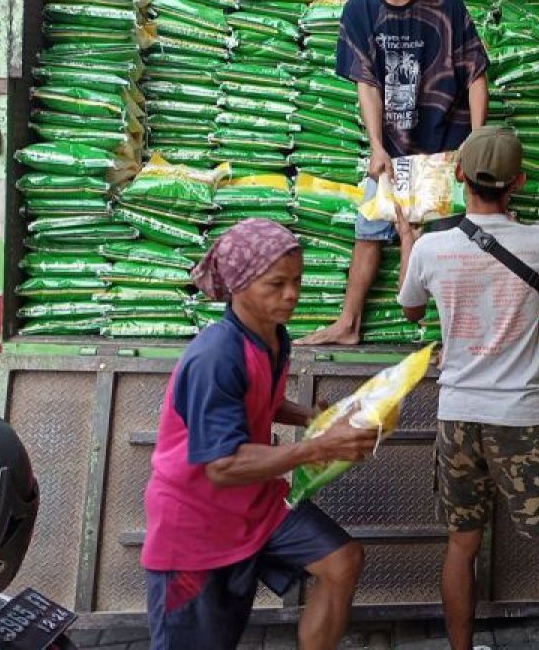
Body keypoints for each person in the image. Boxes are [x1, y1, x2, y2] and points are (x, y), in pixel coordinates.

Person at [394, 127, 539, 650]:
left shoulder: (432, 248)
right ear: (518, 182)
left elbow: (411, 309)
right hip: (520, 418)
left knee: (461, 545)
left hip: (457, 415)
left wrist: (408, 242)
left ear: (458, 174)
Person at [142, 219, 380, 650]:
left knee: (341, 561)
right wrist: (320, 446)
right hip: (195, 525)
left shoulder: (274, 338)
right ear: (238, 284)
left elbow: (260, 400)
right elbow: (223, 464)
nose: (291, 294)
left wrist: (312, 418)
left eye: (297, 281)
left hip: (254, 505)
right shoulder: (216, 356)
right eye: (276, 284)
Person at [300, 0, 489, 346]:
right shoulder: (360, 11)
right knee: (368, 233)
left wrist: (476, 139)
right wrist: (376, 147)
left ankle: (448, 340)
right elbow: (366, 82)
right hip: (393, 149)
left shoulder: (448, 6)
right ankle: (349, 323)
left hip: (446, 147)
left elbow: (476, 73)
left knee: (447, 243)